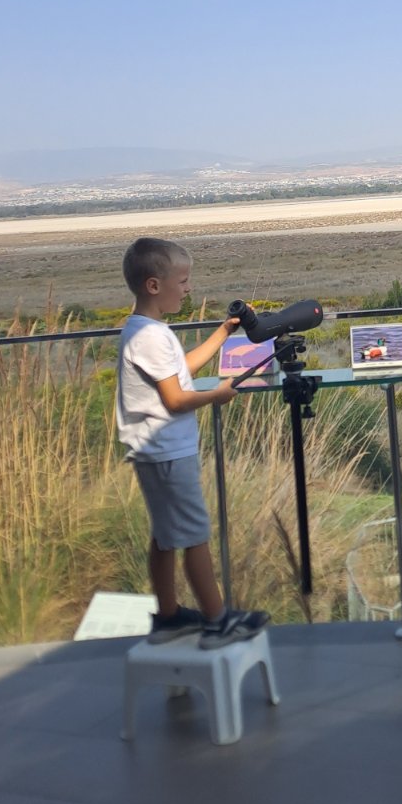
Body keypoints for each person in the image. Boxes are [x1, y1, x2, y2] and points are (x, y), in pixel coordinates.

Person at [116, 237, 270, 648]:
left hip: (153, 452)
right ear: (154, 285)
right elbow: (175, 398)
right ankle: (218, 620)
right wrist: (216, 396)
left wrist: (223, 333)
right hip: (168, 451)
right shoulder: (151, 337)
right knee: (195, 534)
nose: (188, 289)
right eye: (182, 281)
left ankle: (168, 616)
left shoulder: (143, 330)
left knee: (165, 535)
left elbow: (179, 371)